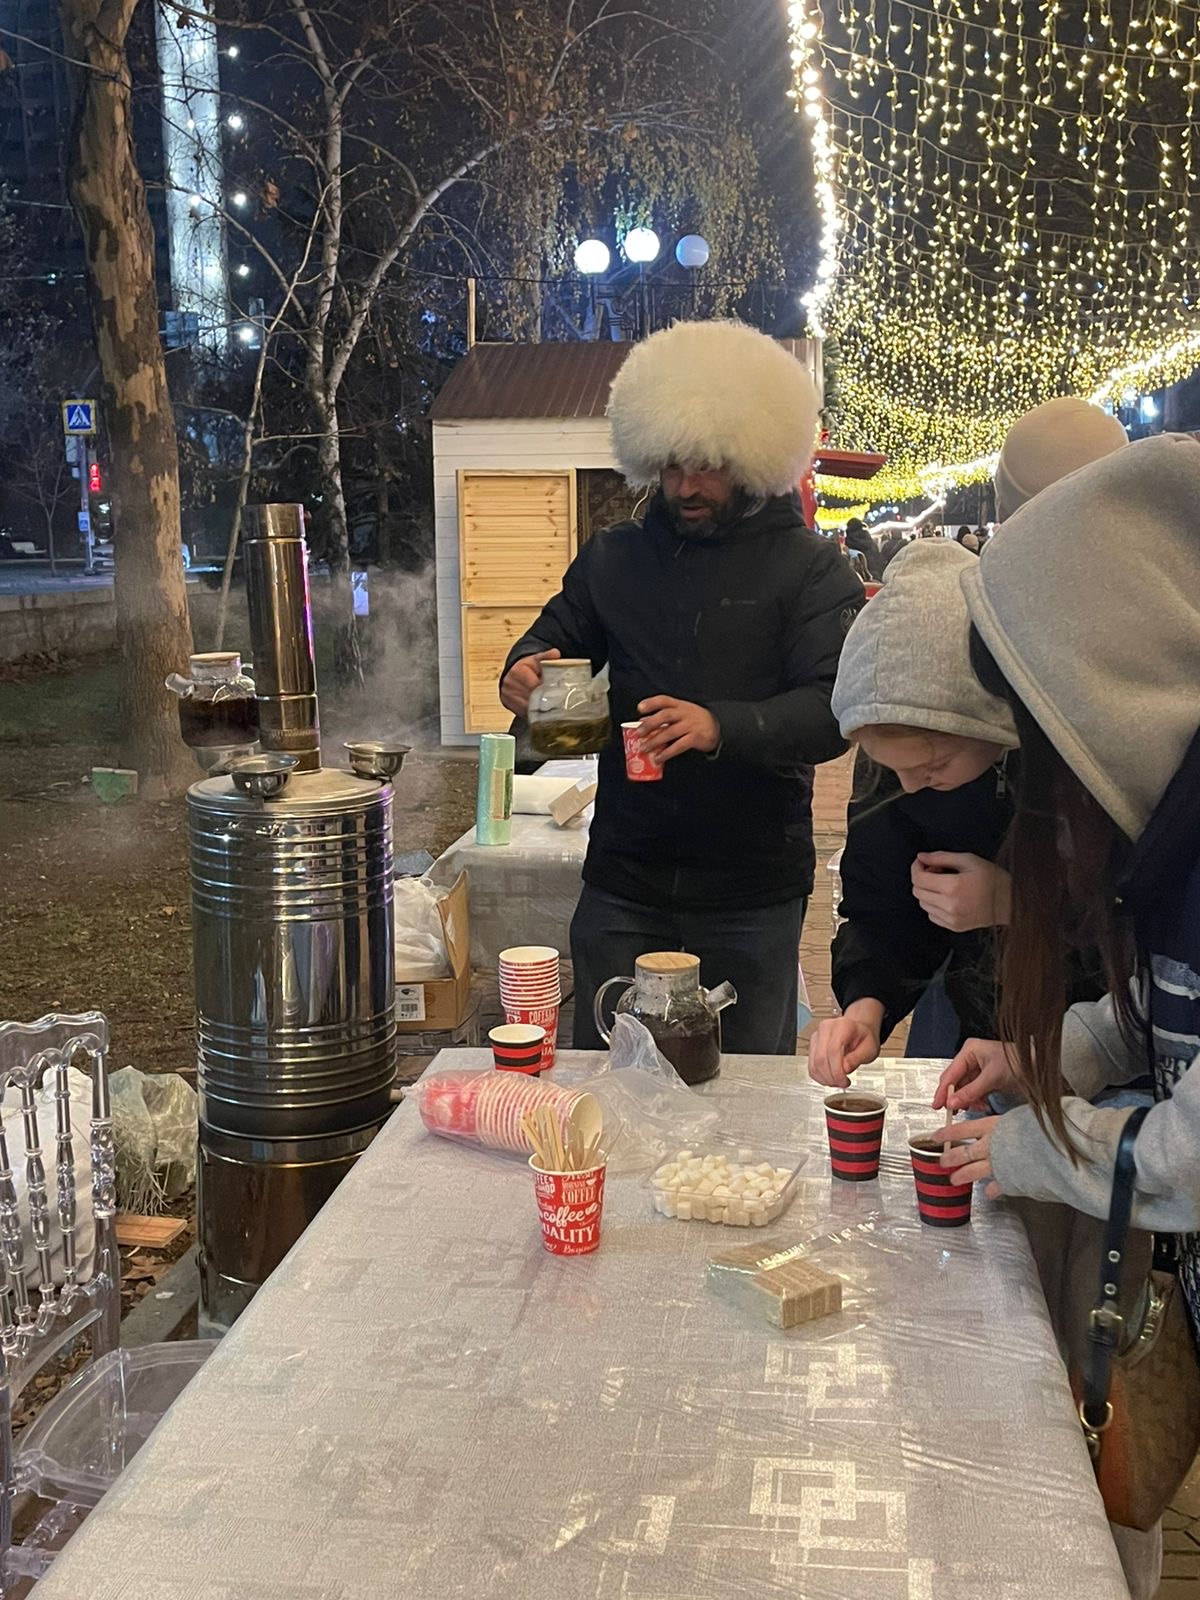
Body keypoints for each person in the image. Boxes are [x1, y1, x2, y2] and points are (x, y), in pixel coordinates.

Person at [932, 434, 1200, 1600]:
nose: (1043, 783)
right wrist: (1046, 1053)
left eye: (1047, 735)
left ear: (1113, 689)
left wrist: (1030, 1146)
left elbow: (1192, 1150)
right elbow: (1161, 1016)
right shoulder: (1172, 826)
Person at [499, 320, 865, 1055]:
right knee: (611, 1076)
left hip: (751, 889)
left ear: (750, 456)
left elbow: (837, 709)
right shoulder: (614, 558)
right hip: (624, 879)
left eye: (705, 467)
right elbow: (554, 639)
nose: (686, 487)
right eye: (670, 466)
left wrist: (719, 726)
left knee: (747, 1087)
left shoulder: (811, 569)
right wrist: (527, 669)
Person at [808, 542, 1022, 1086]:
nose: (910, 785)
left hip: (1103, 1046)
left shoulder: (1067, 761)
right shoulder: (895, 752)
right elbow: (882, 906)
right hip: (979, 1027)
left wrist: (1017, 902)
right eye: (891, 767)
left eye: (933, 766)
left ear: (993, 722)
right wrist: (866, 1006)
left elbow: (1138, 922)